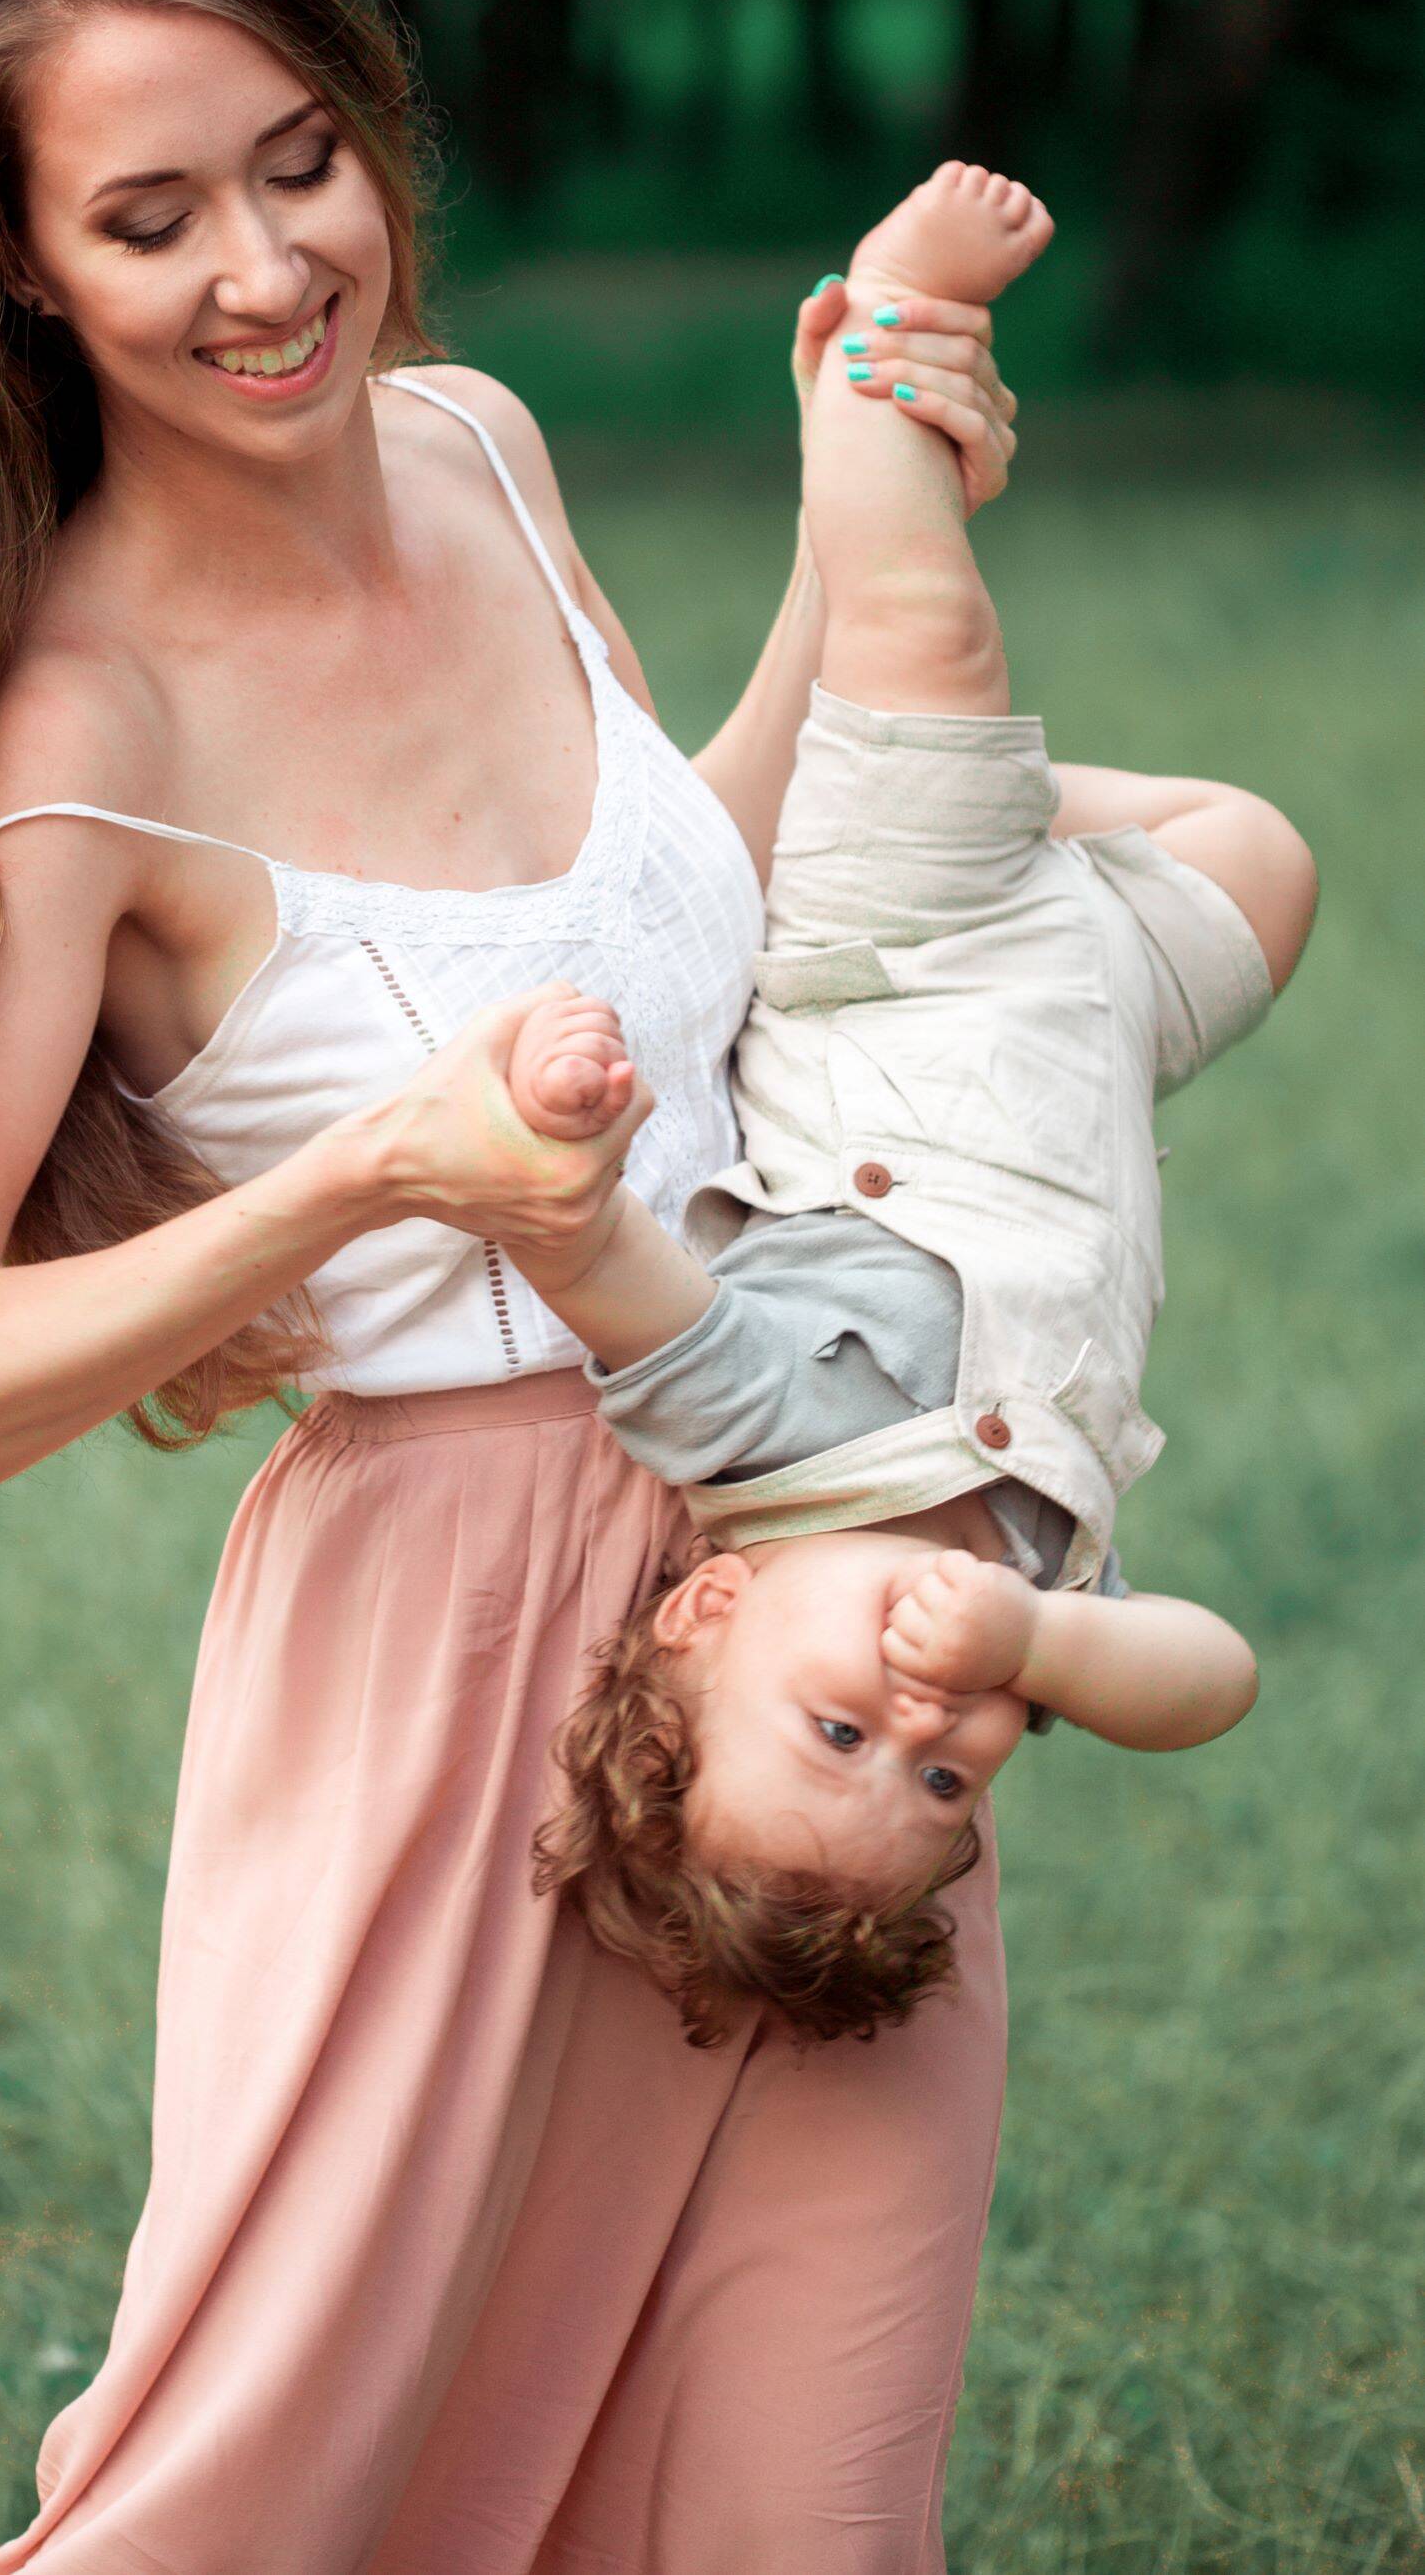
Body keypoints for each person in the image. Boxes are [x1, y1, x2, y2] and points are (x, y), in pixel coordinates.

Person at [0, 0, 1031, 2574]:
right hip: (436, 1666)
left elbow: (695, 923)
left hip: (796, 1576)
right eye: (147, 213)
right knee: (293, 2491)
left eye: (298, 155)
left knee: (809, 2486)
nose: (264, 268)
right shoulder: (73, 732)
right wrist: (369, 1171)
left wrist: (868, 504)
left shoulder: (473, 440)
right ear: (17, 272)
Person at [491, 163, 1318, 2048]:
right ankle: (929, 775)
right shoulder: (1039, 1579)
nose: (924, 1721)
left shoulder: (771, 1455)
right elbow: (1215, 1680)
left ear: (707, 1621)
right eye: (945, 1784)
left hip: (904, 965)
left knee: (924, 646)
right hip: (1072, 1024)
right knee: (1256, 860)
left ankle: (880, 341)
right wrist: (1038, 1644)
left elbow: (614, 1274)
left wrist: (550, 1146)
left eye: (841, 1731)